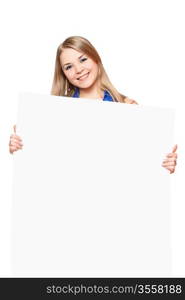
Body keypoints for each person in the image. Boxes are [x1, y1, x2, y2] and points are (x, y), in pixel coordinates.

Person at [9, 36, 178, 173]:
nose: (78, 69)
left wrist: (164, 163)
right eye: (69, 67)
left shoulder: (127, 106)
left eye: (83, 59)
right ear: (64, 74)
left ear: (96, 58)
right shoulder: (54, 112)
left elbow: (142, 164)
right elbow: (44, 163)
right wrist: (21, 148)